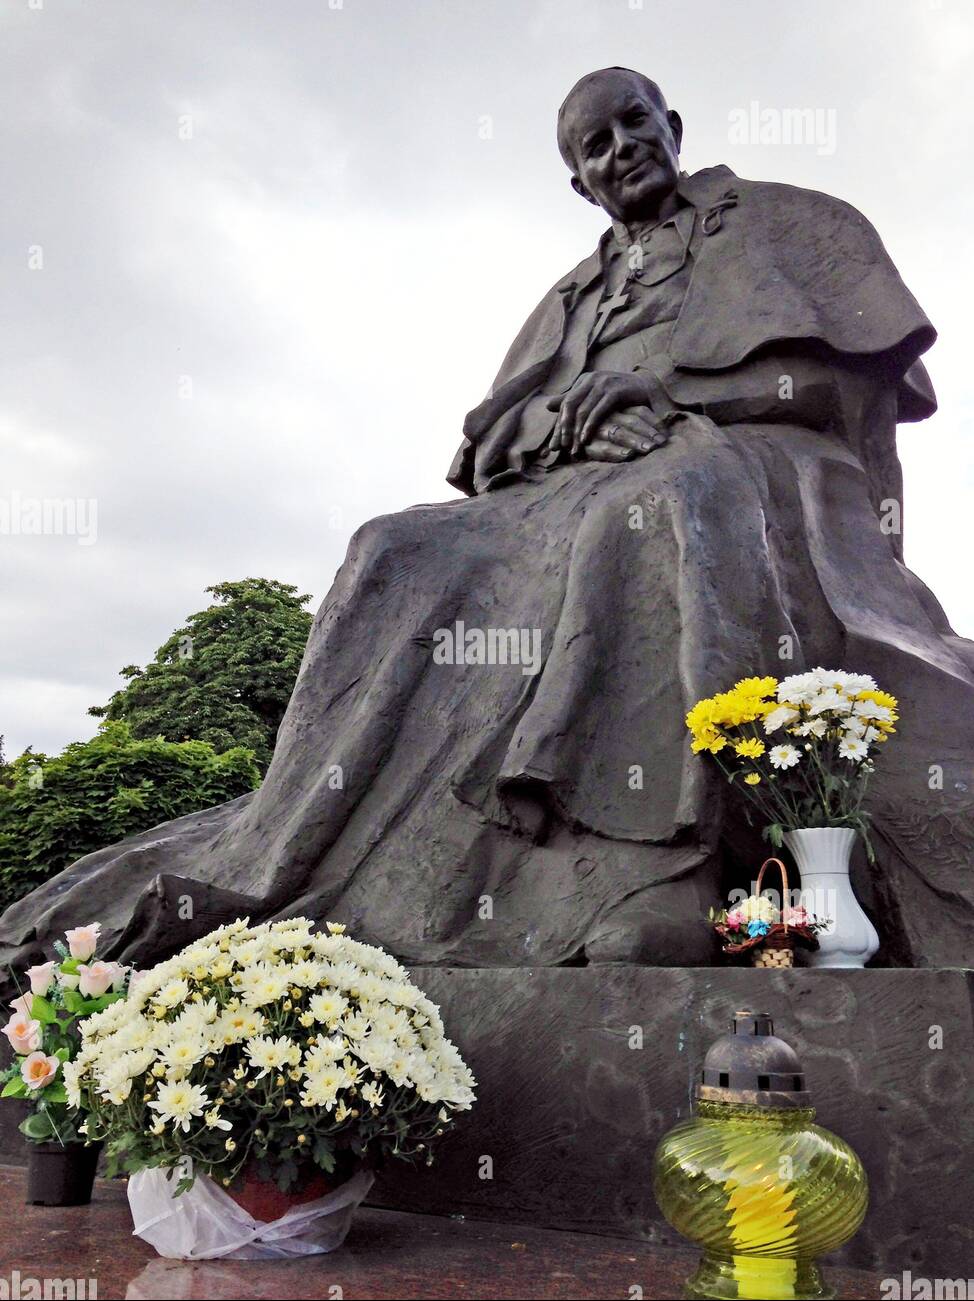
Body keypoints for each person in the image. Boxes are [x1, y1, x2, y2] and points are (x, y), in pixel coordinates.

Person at [2, 67, 972, 985]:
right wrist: (570, 412)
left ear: (673, 129)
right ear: (577, 181)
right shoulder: (572, 294)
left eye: (637, 122)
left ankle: (649, 867)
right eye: (595, 144)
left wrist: (671, 396)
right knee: (392, 547)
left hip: (753, 465)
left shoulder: (782, 222)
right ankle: (299, 850)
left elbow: (839, 385)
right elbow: (486, 444)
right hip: (570, 480)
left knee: (654, 511)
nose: (622, 147)